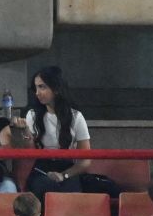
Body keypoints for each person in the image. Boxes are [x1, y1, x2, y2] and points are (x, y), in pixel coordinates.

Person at [20, 66, 110, 197]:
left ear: (56, 89)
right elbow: (27, 151)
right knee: (46, 186)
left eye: (42, 87)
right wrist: (23, 132)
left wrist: (64, 175)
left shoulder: (76, 117)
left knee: (71, 191)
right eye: (36, 88)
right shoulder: (32, 115)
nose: (37, 93)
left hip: (67, 168)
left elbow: (85, 160)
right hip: (41, 168)